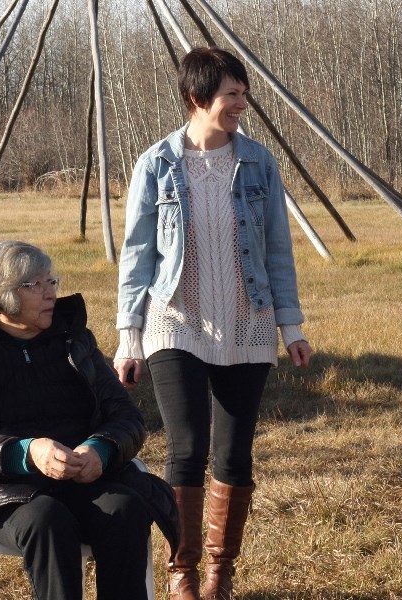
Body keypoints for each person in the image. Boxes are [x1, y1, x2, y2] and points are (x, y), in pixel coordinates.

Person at [114, 47, 312, 600]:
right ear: (198, 98)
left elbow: (277, 249)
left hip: (248, 323)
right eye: (232, 95)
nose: (241, 105)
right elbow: (137, 256)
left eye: (243, 95)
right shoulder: (156, 163)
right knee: (187, 445)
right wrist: (128, 335)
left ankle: (221, 573)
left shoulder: (259, 163)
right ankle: (184, 570)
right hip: (175, 321)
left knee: (233, 452)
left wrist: (290, 326)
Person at [0, 240, 179, 600]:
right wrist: (24, 452)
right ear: (0, 295)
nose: (51, 294)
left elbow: (126, 416)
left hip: (81, 478)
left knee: (126, 508)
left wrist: (100, 450)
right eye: (36, 285)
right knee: (48, 520)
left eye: (51, 282)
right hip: (0, 490)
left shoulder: (73, 338)